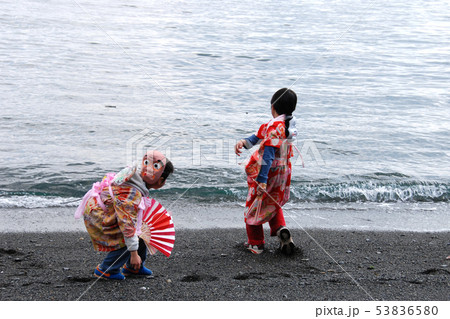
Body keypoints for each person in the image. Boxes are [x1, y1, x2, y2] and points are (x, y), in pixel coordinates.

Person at [75, 150, 174, 280]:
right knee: (128, 234)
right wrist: (133, 253)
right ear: (161, 180)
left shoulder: (135, 181)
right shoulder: (132, 193)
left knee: (143, 228)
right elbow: (126, 224)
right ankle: (107, 269)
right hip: (99, 215)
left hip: (104, 209)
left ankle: (134, 268)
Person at [235, 88, 297, 255]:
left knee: (255, 204)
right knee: (272, 201)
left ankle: (256, 243)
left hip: (268, 172)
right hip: (283, 172)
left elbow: (268, 156)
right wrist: (244, 142)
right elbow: (257, 136)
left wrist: (262, 179)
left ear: (272, 107)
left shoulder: (274, 127)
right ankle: (280, 229)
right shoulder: (287, 125)